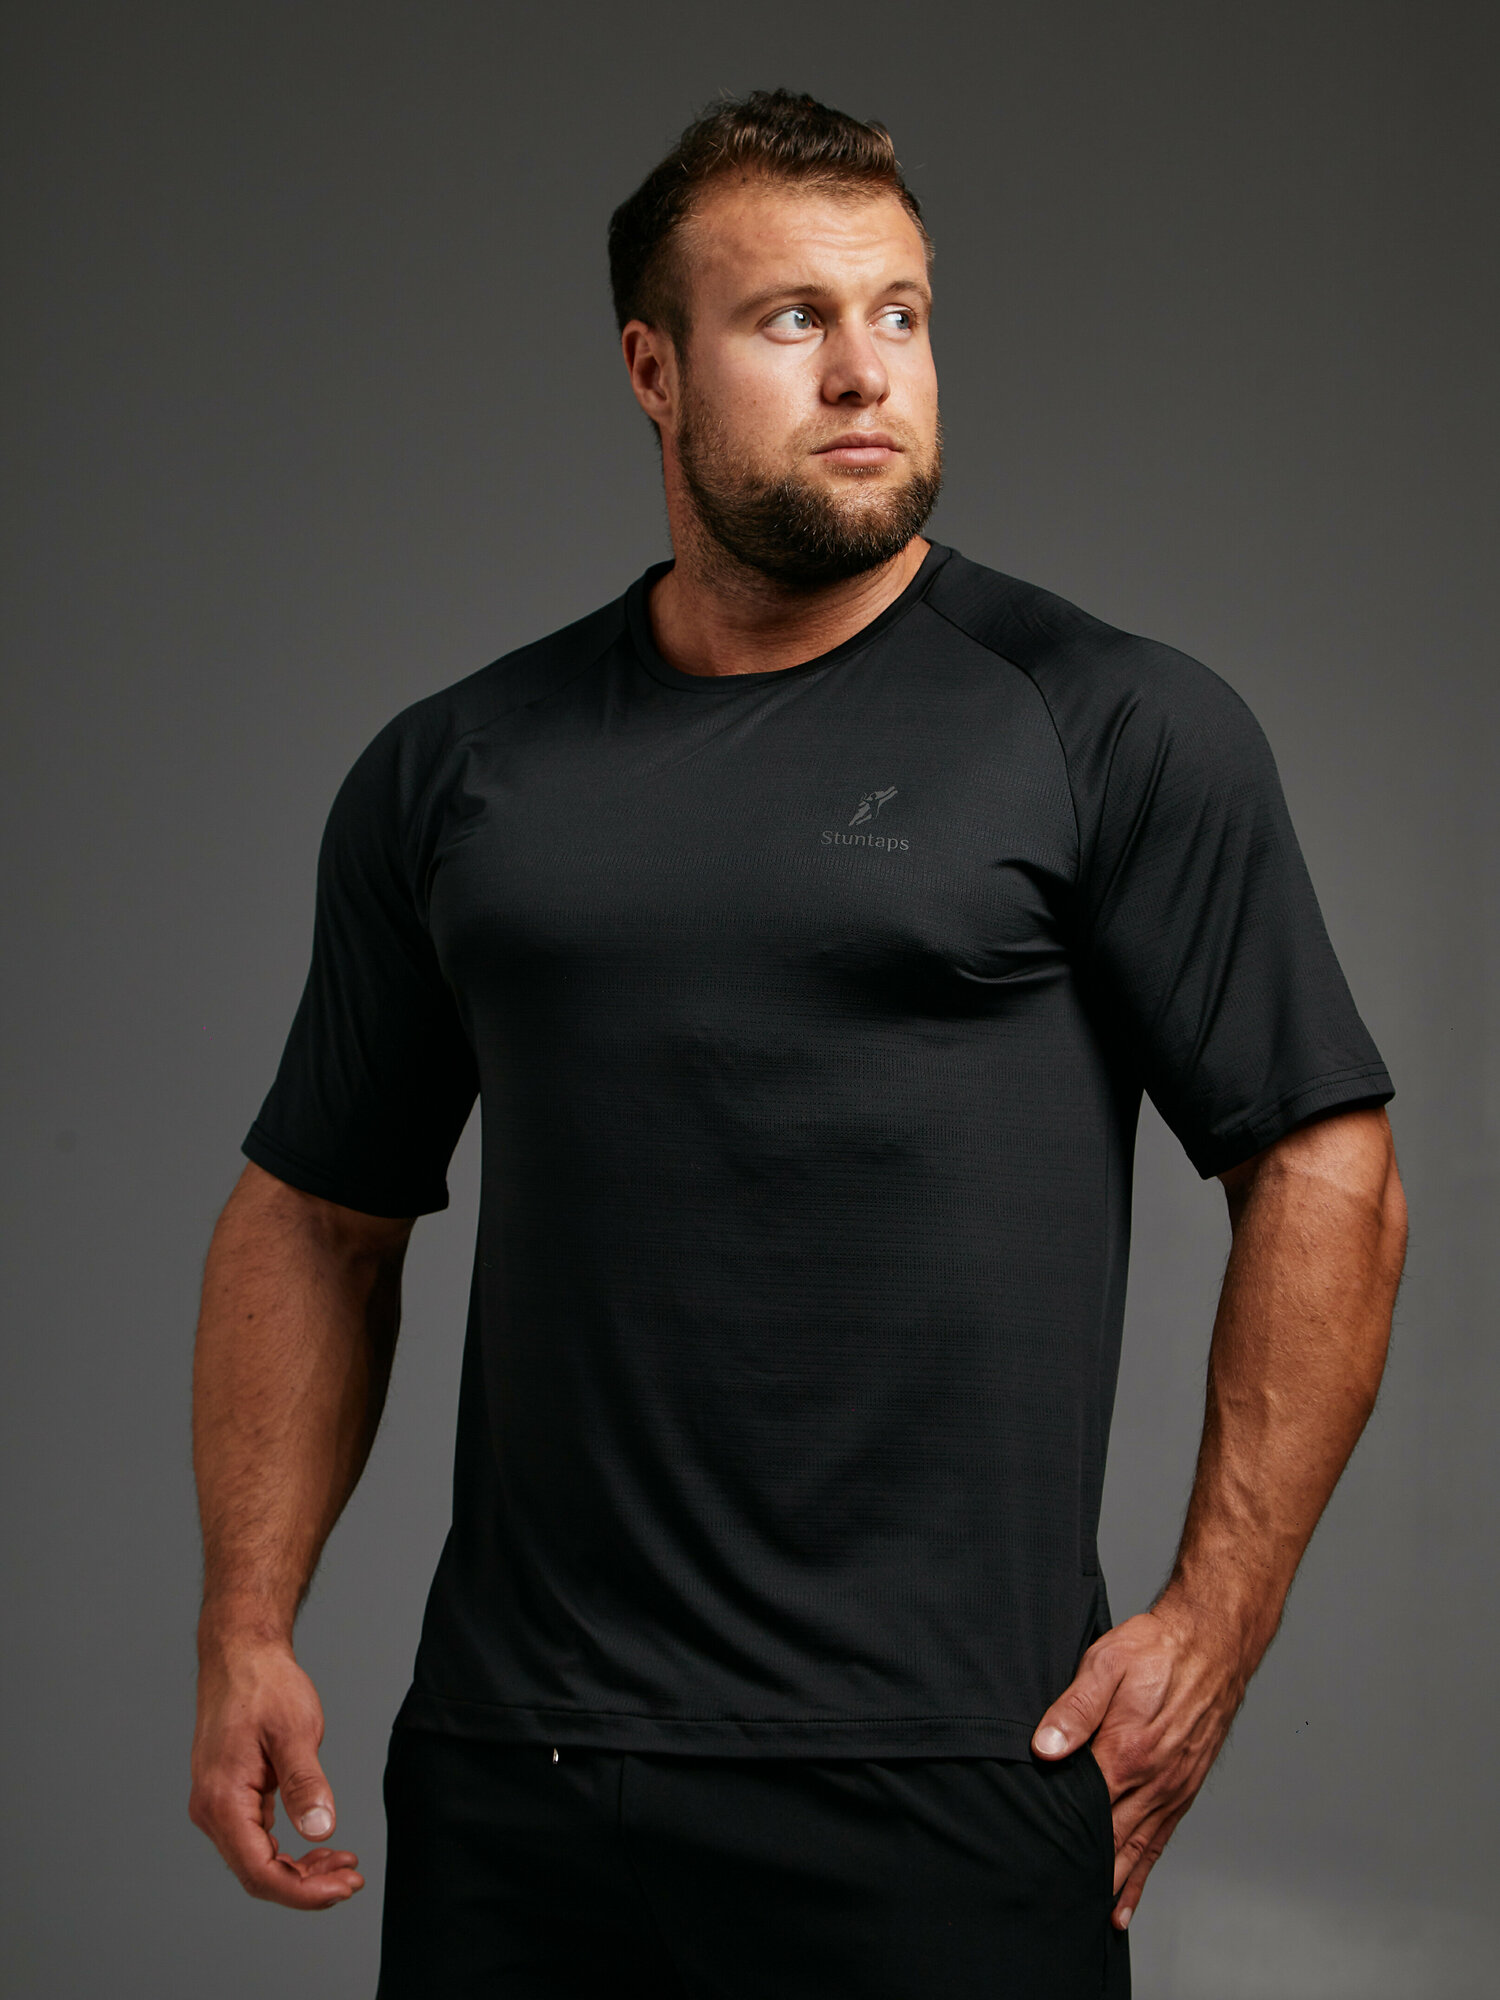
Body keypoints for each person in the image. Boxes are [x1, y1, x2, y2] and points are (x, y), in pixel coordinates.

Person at [187, 89, 1407, 1999]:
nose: (865, 371)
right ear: (652, 370)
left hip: (947, 1772)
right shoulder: (459, 767)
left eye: (901, 314)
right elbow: (318, 1213)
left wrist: (1218, 1623)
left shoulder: (1107, 722)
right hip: (522, 1775)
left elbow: (1328, 1168)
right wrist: (246, 1624)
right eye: (793, 320)